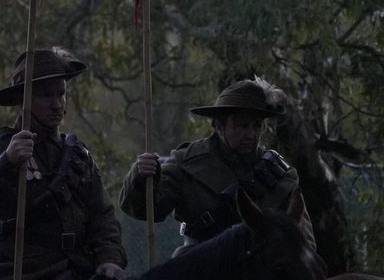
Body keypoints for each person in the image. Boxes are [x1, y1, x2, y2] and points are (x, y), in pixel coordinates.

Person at [0, 48, 126, 280]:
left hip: (77, 271)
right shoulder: (0, 146)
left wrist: (109, 258)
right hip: (21, 276)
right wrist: (7, 162)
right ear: (23, 100)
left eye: (61, 93)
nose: (57, 104)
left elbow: (102, 216)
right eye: (46, 95)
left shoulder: (79, 155)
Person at [119, 76, 316, 257]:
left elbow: (303, 239)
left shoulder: (279, 175)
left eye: (257, 126)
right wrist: (142, 177)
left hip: (260, 272)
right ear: (219, 126)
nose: (251, 134)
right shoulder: (186, 163)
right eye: (242, 125)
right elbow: (148, 210)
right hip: (200, 267)